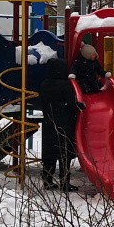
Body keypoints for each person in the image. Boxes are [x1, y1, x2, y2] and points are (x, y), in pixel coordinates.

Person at [34, 53, 80, 190]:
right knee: (64, 154)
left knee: (49, 154)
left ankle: (47, 180)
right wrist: (80, 106)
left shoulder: (44, 84)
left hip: (49, 122)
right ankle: (64, 182)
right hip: (64, 123)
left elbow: (41, 102)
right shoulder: (65, 86)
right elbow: (72, 105)